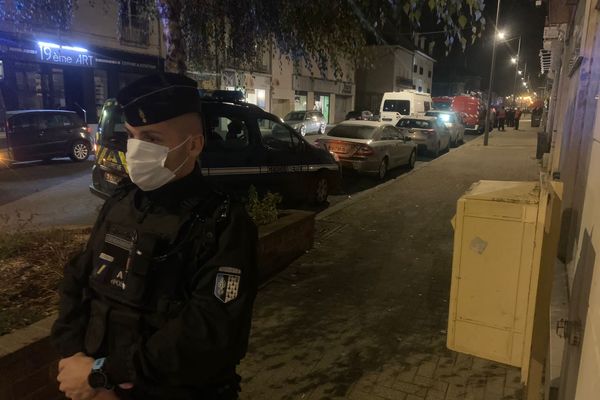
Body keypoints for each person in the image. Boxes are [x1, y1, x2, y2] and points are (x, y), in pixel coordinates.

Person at [51, 73, 258, 400]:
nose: (135, 149)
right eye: (132, 136)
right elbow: (77, 279)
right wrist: (73, 358)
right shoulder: (120, 201)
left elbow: (209, 332)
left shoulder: (224, 224)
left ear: (194, 145)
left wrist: (101, 375)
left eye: (152, 138)